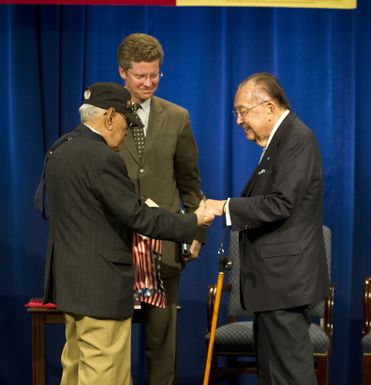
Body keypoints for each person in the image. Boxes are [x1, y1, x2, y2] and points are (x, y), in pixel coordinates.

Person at [34, 82, 214, 385]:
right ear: (109, 117)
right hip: (100, 288)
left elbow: (45, 206)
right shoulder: (103, 158)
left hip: (68, 284)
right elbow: (139, 217)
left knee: (74, 369)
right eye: (126, 123)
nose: (128, 131)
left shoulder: (59, 148)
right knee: (105, 375)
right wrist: (193, 221)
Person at [206, 72, 329, 385]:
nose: (239, 121)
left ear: (270, 108)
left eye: (243, 112)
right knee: (274, 376)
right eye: (237, 113)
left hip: (285, 284)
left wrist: (225, 206)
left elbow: (280, 203)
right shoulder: (281, 141)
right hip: (274, 287)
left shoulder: (297, 140)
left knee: (290, 377)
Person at [117, 33, 206, 385]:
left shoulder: (177, 117)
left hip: (164, 250)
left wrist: (196, 233)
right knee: (113, 344)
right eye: (141, 76)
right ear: (123, 72)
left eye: (155, 75)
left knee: (161, 343)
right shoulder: (106, 114)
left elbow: (190, 185)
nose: (148, 82)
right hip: (116, 249)